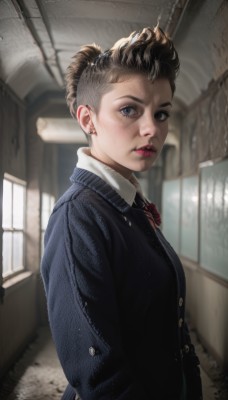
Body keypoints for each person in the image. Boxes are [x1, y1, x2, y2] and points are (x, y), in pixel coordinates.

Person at [41, 26, 203, 400]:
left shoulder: (126, 203)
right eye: (129, 109)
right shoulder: (78, 218)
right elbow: (101, 379)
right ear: (87, 119)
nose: (152, 129)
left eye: (161, 114)